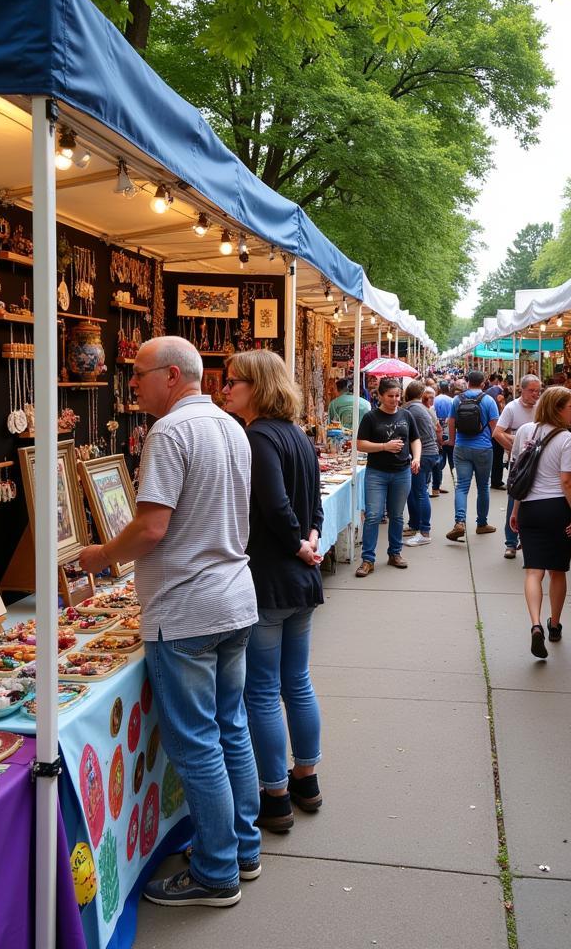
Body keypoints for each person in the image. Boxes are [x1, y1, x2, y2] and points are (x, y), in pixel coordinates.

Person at [79, 336, 261, 907]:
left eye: (140, 373)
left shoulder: (171, 431)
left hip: (186, 611)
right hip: (233, 599)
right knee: (230, 728)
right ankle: (242, 849)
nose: (132, 382)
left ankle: (216, 871)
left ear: (175, 376)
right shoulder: (231, 426)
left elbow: (153, 527)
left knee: (201, 742)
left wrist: (103, 556)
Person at [222, 350, 325, 835]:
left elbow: (276, 504)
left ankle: (276, 795)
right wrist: (311, 539)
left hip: (271, 578)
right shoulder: (297, 435)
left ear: (257, 386)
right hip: (299, 580)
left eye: (233, 381)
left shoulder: (258, 436)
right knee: (296, 682)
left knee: (262, 692)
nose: (225, 389)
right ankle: (305, 778)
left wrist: (297, 545)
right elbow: (312, 503)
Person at [509, 386, 571, 659]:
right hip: (555, 508)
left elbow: (519, 473)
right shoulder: (566, 438)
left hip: (529, 508)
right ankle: (554, 623)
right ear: (558, 408)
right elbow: (566, 481)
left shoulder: (526, 431)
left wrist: (515, 510)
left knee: (533, 571)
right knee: (558, 571)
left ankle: (535, 623)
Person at [355, 377, 421, 575]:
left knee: (397, 515)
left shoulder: (406, 415)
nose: (395, 400)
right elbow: (360, 444)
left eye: (397, 396)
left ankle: (395, 553)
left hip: (401, 472)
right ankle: (368, 559)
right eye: (390, 396)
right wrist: (384, 446)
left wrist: (416, 458)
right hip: (377, 473)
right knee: (373, 515)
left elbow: (415, 439)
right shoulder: (371, 417)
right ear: (381, 396)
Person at [446, 370, 500, 541]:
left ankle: (459, 522)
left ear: (467, 382)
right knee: (483, 487)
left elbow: (451, 422)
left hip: (461, 447)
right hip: (483, 448)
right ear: (483, 383)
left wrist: (453, 441)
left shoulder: (457, 399)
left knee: (461, 486)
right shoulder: (488, 400)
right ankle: (482, 524)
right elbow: (494, 426)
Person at [493, 374, 542, 560]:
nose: (535, 394)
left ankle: (528, 540)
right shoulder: (512, 408)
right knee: (515, 500)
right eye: (532, 391)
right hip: (518, 463)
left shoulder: (541, 407)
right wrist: (514, 448)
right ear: (522, 389)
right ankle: (510, 542)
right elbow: (497, 433)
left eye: (538, 391)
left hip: (538, 461)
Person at [402, 381, 440, 546]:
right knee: (416, 491)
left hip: (422, 455)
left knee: (420, 493)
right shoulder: (424, 409)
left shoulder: (410, 409)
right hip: (430, 453)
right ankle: (416, 525)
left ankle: (424, 531)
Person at [420, 386, 446, 498]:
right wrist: (440, 442)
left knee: (436, 466)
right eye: (429, 397)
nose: (430, 399)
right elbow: (438, 427)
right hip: (428, 443)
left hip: (431, 443)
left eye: (432, 397)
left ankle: (435, 488)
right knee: (433, 466)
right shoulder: (426, 409)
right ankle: (430, 489)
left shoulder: (431, 408)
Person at [434, 380, 455, 487]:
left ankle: (437, 484)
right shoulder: (452, 400)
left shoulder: (434, 400)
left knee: (440, 458)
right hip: (449, 432)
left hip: (438, 432)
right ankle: (455, 480)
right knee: (452, 459)